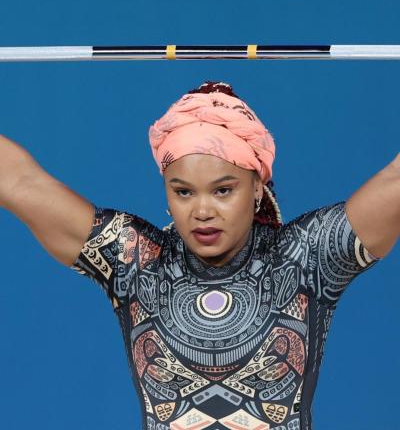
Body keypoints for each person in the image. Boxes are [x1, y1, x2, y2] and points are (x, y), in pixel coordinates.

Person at [0, 80, 399, 430]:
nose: (202, 211)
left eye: (223, 190)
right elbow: (17, 179)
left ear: (257, 187)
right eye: (183, 191)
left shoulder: (306, 258)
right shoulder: (135, 260)